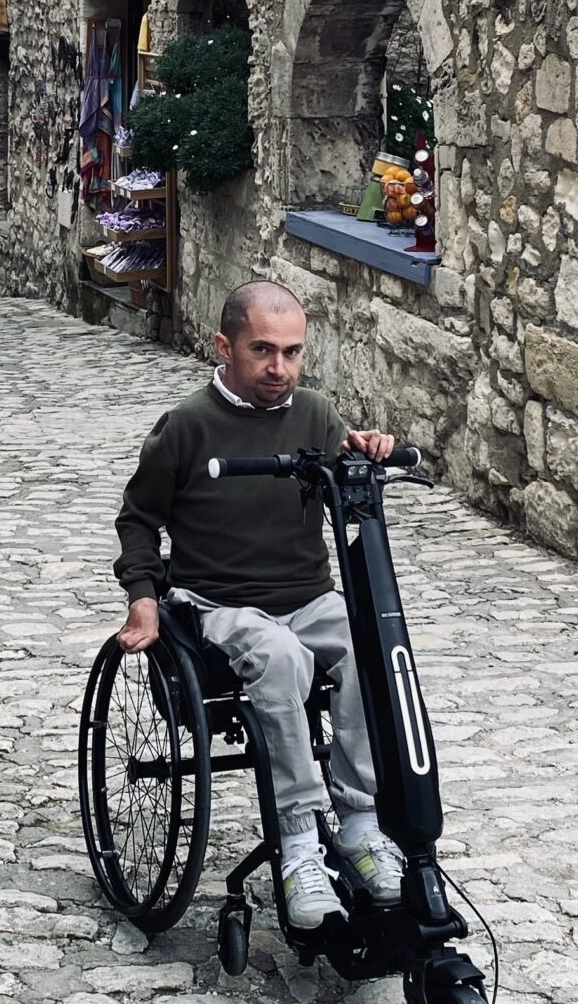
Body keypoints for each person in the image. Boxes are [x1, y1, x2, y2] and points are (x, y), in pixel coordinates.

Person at [113, 280, 405, 925]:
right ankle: (299, 842)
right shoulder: (187, 426)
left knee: (372, 649)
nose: (280, 369)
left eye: (293, 353)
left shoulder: (317, 415)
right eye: (263, 351)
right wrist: (143, 598)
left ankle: (359, 822)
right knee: (280, 658)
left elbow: (340, 474)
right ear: (225, 347)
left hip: (305, 596)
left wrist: (363, 452)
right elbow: (138, 519)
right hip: (220, 603)